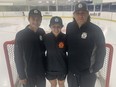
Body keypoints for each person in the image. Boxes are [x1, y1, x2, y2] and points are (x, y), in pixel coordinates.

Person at [66, 2, 106, 87]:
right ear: (74, 14)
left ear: (88, 14)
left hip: (88, 74)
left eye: (83, 13)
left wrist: (94, 69)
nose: (81, 15)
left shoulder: (96, 30)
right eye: (78, 13)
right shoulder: (69, 27)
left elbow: (101, 51)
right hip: (72, 73)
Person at [14, 9, 46, 87]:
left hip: (41, 73)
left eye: (38, 19)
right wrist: (21, 75)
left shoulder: (41, 32)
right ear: (28, 19)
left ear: (41, 20)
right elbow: (18, 57)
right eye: (33, 19)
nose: (36, 21)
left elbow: (44, 51)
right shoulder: (21, 35)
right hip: (28, 75)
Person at [44, 16, 67, 87]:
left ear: (61, 27)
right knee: (53, 84)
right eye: (54, 26)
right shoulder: (45, 37)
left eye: (58, 26)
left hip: (62, 68)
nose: (56, 29)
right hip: (50, 68)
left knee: (61, 84)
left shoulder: (65, 37)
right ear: (50, 26)